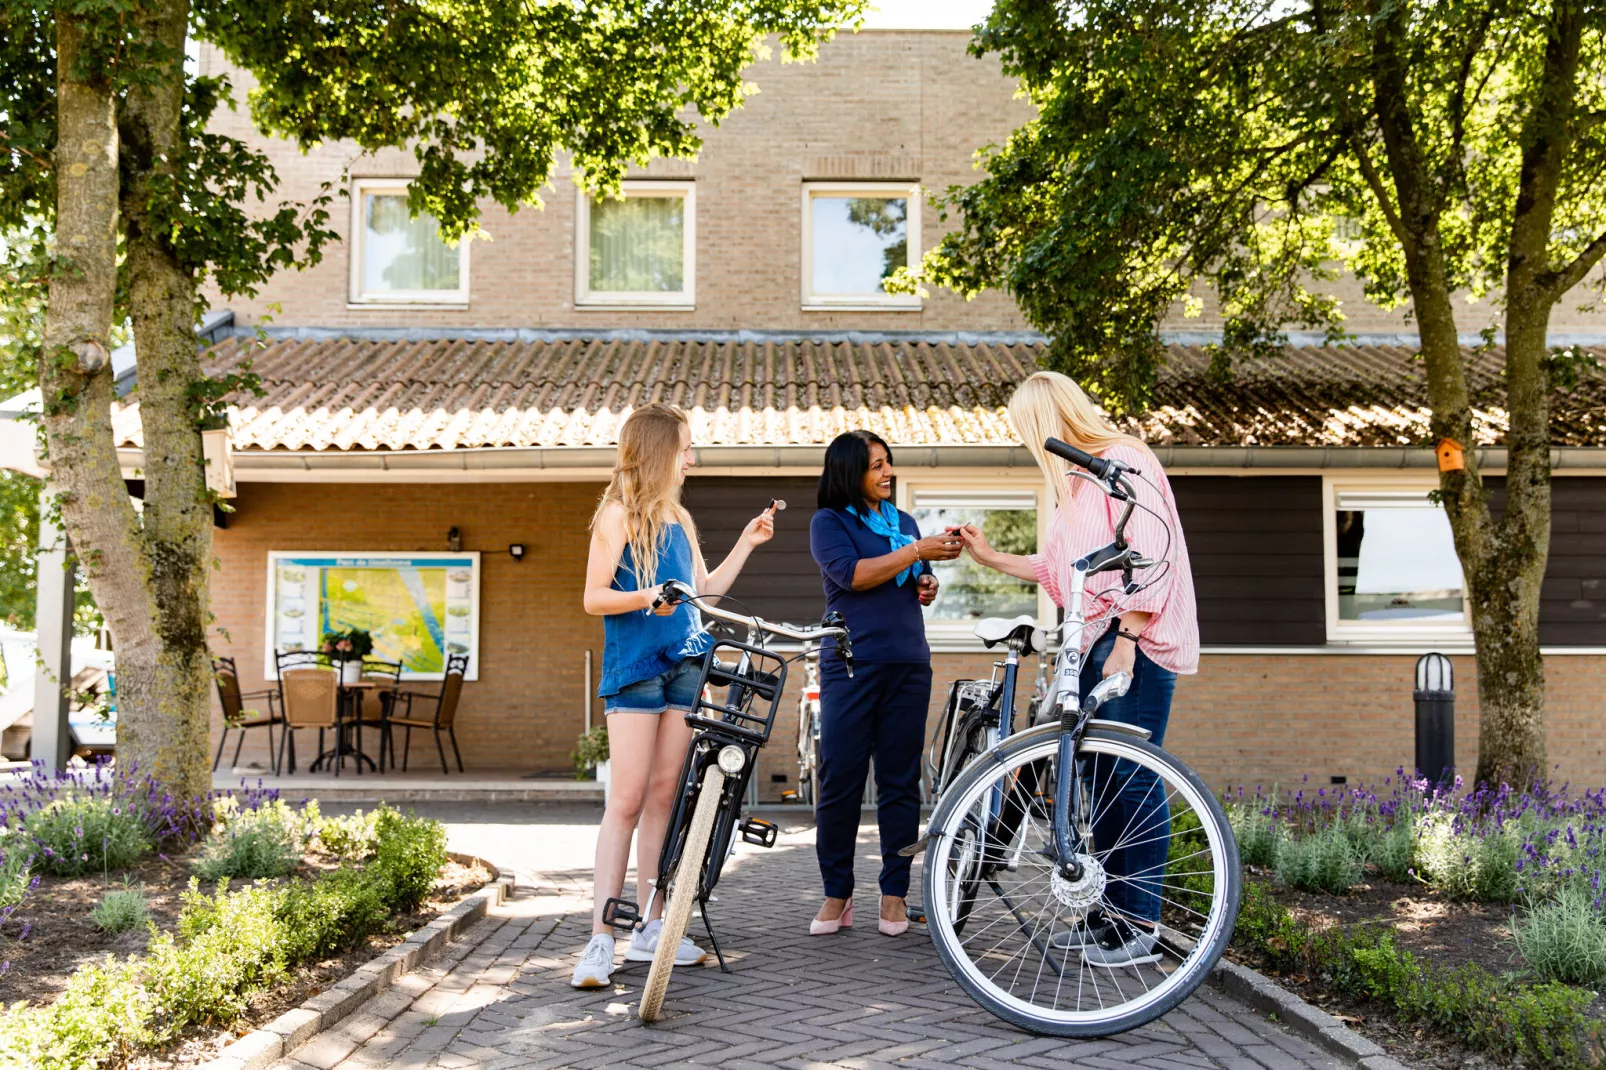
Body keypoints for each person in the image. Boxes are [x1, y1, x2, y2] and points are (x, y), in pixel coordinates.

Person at [958, 370, 1198, 967]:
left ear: (1049, 420)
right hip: (1088, 643)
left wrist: (1126, 636)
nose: (1027, 441)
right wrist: (989, 555)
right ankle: (1108, 915)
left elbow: (1152, 554)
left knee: (1132, 780)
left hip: (1126, 642)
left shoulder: (1122, 460)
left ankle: (1139, 923)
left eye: (1027, 428)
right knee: (1100, 782)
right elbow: (1060, 569)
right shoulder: (1076, 484)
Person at [571, 402, 777, 989]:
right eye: (685, 447)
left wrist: (746, 543)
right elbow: (592, 598)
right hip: (636, 669)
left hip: (685, 665)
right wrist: (646, 598)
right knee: (627, 801)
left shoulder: (680, 522)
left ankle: (652, 929)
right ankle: (600, 939)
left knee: (665, 795)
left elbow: (703, 593)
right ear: (661, 451)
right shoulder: (616, 516)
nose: (692, 458)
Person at [808, 430, 962, 937]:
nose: (887, 472)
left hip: (907, 663)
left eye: (888, 463)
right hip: (851, 665)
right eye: (876, 466)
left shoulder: (903, 522)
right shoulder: (828, 522)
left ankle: (894, 894)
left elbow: (908, 577)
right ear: (850, 472)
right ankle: (837, 894)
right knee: (840, 782)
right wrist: (916, 551)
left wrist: (925, 581)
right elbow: (853, 576)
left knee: (899, 783)